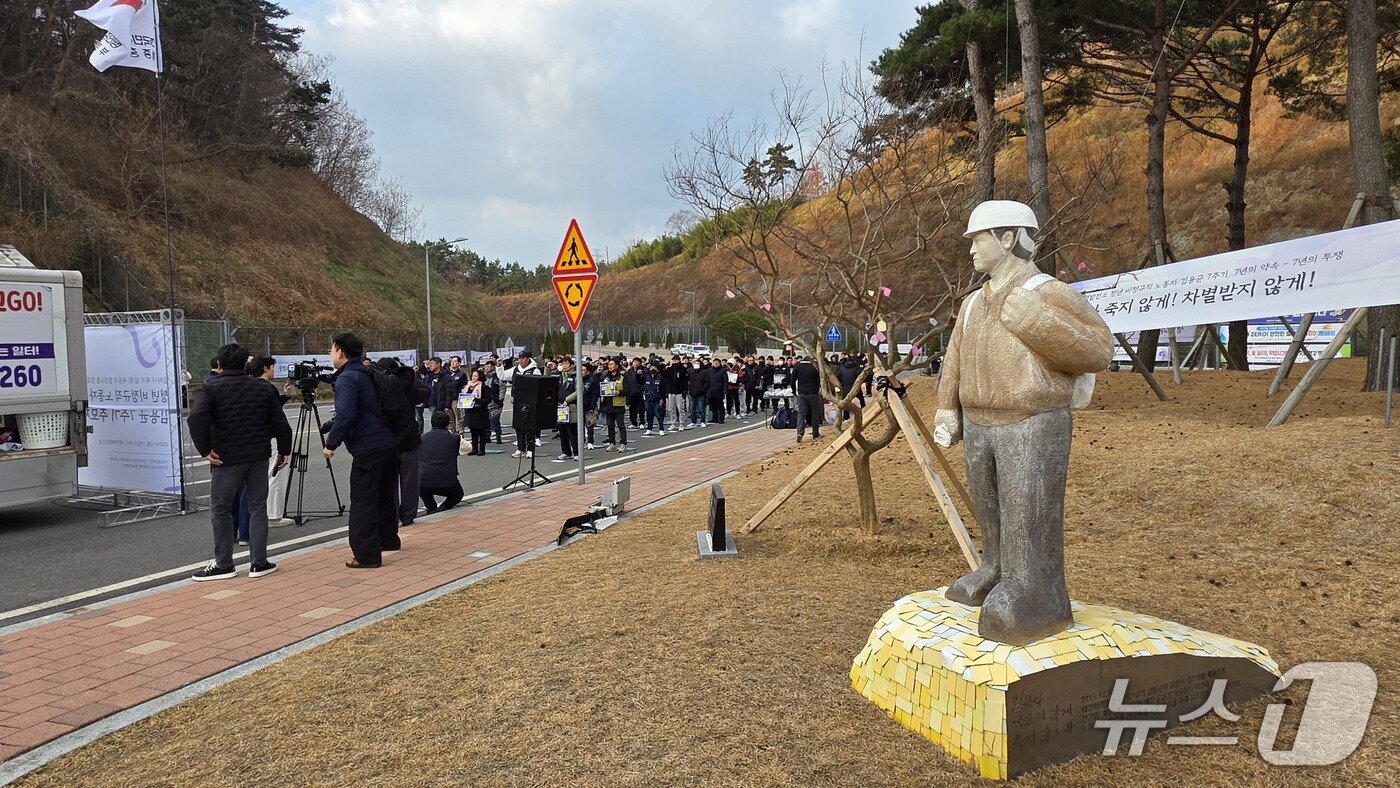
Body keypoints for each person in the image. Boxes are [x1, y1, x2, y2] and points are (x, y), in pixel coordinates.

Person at [935, 200, 1113, 644]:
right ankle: (997, 568)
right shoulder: (974, 302)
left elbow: (1098, 350)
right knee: (990, 506)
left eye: (978, 240)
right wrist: (946, 408)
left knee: (1027, 509)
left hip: (1031, 421)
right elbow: (953, 360)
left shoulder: (1046, 293)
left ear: (1008, 238)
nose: (972, 250)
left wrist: (1037, 322)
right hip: (979, 420)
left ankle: (1036, 592)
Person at [187, 343, 291, 581]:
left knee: (221, 509)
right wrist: (284, 451)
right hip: (258, 454)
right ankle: (259, 562)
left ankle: (224, 563)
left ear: (219, 365)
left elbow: (196, 418)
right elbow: (280, 423)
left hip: (226, 457)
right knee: (258, 508)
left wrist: (205, 450)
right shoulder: (263, 389)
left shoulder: (211, 388)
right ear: (246, 364)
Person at [323, 332, 400, 569]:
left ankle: (366, 555)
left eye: (331, 350)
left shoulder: (347, 379)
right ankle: (388, 539)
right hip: (388, 441)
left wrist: (331, 443)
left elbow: (346, 415)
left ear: (340, 352)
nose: (330, 354)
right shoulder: (368, 371)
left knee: (363, 500)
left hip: (368, 447)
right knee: (385, 495)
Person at [377, 357, 430, 528]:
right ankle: (408, 516)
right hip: (408, 438)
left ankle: (391, 516)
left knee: (389, 482)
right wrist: (414, 376)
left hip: (386, 440)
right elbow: (425, 391)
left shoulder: (377, 387)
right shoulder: (407, 386)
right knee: (410, 481)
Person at [418, 411, 464, 513]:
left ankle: (431, 507)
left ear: (431, 422)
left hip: (424, 481)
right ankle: (443, 507)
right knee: (457, 494)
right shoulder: (455, 438)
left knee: (421, 486)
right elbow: (467, 449)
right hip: (447, 480)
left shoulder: (422, 438)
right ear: (448, 424)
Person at [501, 351, 540, 458]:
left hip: (529, 402)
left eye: (523, 358)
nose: (521, 361)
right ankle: (520, 448)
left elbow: (539, 386)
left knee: (529, 427)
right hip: (517, 401)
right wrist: (500, 366)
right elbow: (502, 375)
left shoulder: (534, 370)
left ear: (528, 359)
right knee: (519, 426)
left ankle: (530, 449)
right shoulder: (515, 369)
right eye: (520, 358)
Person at [599, 358, 632, 452]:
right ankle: (612, 443)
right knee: (610, 425)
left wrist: (619, 392)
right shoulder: (606, 377)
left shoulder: (622, 377)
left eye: (612, 364)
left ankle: (623, 444)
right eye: (609, 364)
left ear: (617, 366)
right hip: (608, 404)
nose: (610, 366)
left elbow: (628, 390)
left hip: (618, 405)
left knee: (621, 425)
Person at [793, 355, 824, 443]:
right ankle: (815, 433)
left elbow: (792, 380)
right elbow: (820, 379)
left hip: (802, 393)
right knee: (815, 414)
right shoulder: (815, 367)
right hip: (813, 393)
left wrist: (794, 391)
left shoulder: (797, 366)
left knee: (801, 414)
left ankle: (800, 433)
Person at [460, 368, 491, 455]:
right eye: (473, 376)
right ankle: (474, 448)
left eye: (476, 376)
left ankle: (482, 449)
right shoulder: (468, 387)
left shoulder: (484, 387)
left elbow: (488, 399)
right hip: (470, 411)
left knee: (481, 431)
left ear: (480, 377)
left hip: (480, 411)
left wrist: (477, 400)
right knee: (473, 430)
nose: (474, 378)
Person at [436, 356, 466, 433]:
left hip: (457, 400)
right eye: (451, 361)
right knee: (449, 421)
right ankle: (451, 435)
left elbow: (464, 388)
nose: (452, 363)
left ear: (459, 363)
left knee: (459, 420)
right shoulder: (446, 373)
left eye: (455, 361)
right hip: (447, 400)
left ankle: (460, 437)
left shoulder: (461, 374)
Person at [558, 358, 579, 459]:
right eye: (563, 364)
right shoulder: (561, 376)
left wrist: (567, 399)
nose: (564, 366)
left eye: (566, 364)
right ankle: (566, 452)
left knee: (572, 430)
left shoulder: (576, 376)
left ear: (572, 365)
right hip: (561, 407)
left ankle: (577, 452)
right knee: (562, 430)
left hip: (571, 406)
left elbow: (579, 391)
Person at [663, 355, 688, 433]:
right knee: (671, 409)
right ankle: (673, 422)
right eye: (674, 360)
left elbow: (685, 381)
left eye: (676, 360)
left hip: (680, 392)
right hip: (671, 392)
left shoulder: (683, 369)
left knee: (681, 408)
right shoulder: (670, 369)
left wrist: (684, 391)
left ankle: (681, 423)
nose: (675, 361)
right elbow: (664, 376)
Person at [417, 357, 443, 432]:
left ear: (438, 364)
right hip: (431, 402)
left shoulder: (445, 375)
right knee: (432, 424)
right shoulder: (428, 377)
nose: (430, 365)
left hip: (441, 403)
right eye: (429, 364)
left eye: (432, 363)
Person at [481, 361, 504, 443]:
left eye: (488, 366)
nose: (486, 368)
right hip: (485, 401)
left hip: (495, 402)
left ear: (493, 367)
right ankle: (487, 437)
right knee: (485, 420)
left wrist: (501, 399)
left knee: (494, 420)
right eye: (485, 366)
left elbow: (502, 388)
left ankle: (498, 436)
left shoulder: (497, 376)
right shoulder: (482, 376)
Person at [641, 362, 665, 435]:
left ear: (657, 369)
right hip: (648, 399)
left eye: (654, 368)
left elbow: (663, 389)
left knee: (659, 415)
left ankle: (661, 429)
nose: (652, 369)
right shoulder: (646, 377)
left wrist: (662, 398)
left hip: (657, 399)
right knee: (649, 415)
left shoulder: (660, 378)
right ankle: (649, 428)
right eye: (651, 368)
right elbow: (639, 380)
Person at [580, 361, 600, 449]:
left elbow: (595, 395)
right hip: (580, 406)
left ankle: (590, 442)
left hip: (590, 406)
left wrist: (592, 407)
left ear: (588, 371)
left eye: (583, 370)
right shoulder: (578, 380)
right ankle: (582, 441)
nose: (581, 371)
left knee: (590, 425)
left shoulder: (592, 380)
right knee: (580, 425)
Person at [686, 357, 708, 428]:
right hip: (692, 393)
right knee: (692, 409)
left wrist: (703, 390)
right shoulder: (691, 373)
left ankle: (702, 421)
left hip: (701, 393)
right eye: (695, 363)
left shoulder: (704, 373)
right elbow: (689, 382)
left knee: (701, 408)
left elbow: (707, 382)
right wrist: (690, 390)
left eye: (698, 363)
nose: (696, 365)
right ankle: (693, 421)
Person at [705, 356, 727, 425]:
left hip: (719, 390)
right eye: (714, 363)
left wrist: (724, 389)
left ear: (720, 363)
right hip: (711, 390)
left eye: (717, 363)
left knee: (720, 405)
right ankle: (715, 418)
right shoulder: (709, 371)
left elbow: (725, 381)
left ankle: (721, 418)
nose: (716, 364)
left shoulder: (723, 370)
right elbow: (707, 380)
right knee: (712, 406)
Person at [625, 357, 645, 428]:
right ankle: (633, 422)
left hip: (639, 392)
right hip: (631, 392)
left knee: (641, 408)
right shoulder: (629, 371)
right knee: (632, 408)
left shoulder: (643, 370)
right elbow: (626, 381)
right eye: (634, 362)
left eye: (637, 362)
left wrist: (641, 389)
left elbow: (644, 381)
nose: (636, 363)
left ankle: (642, 422)